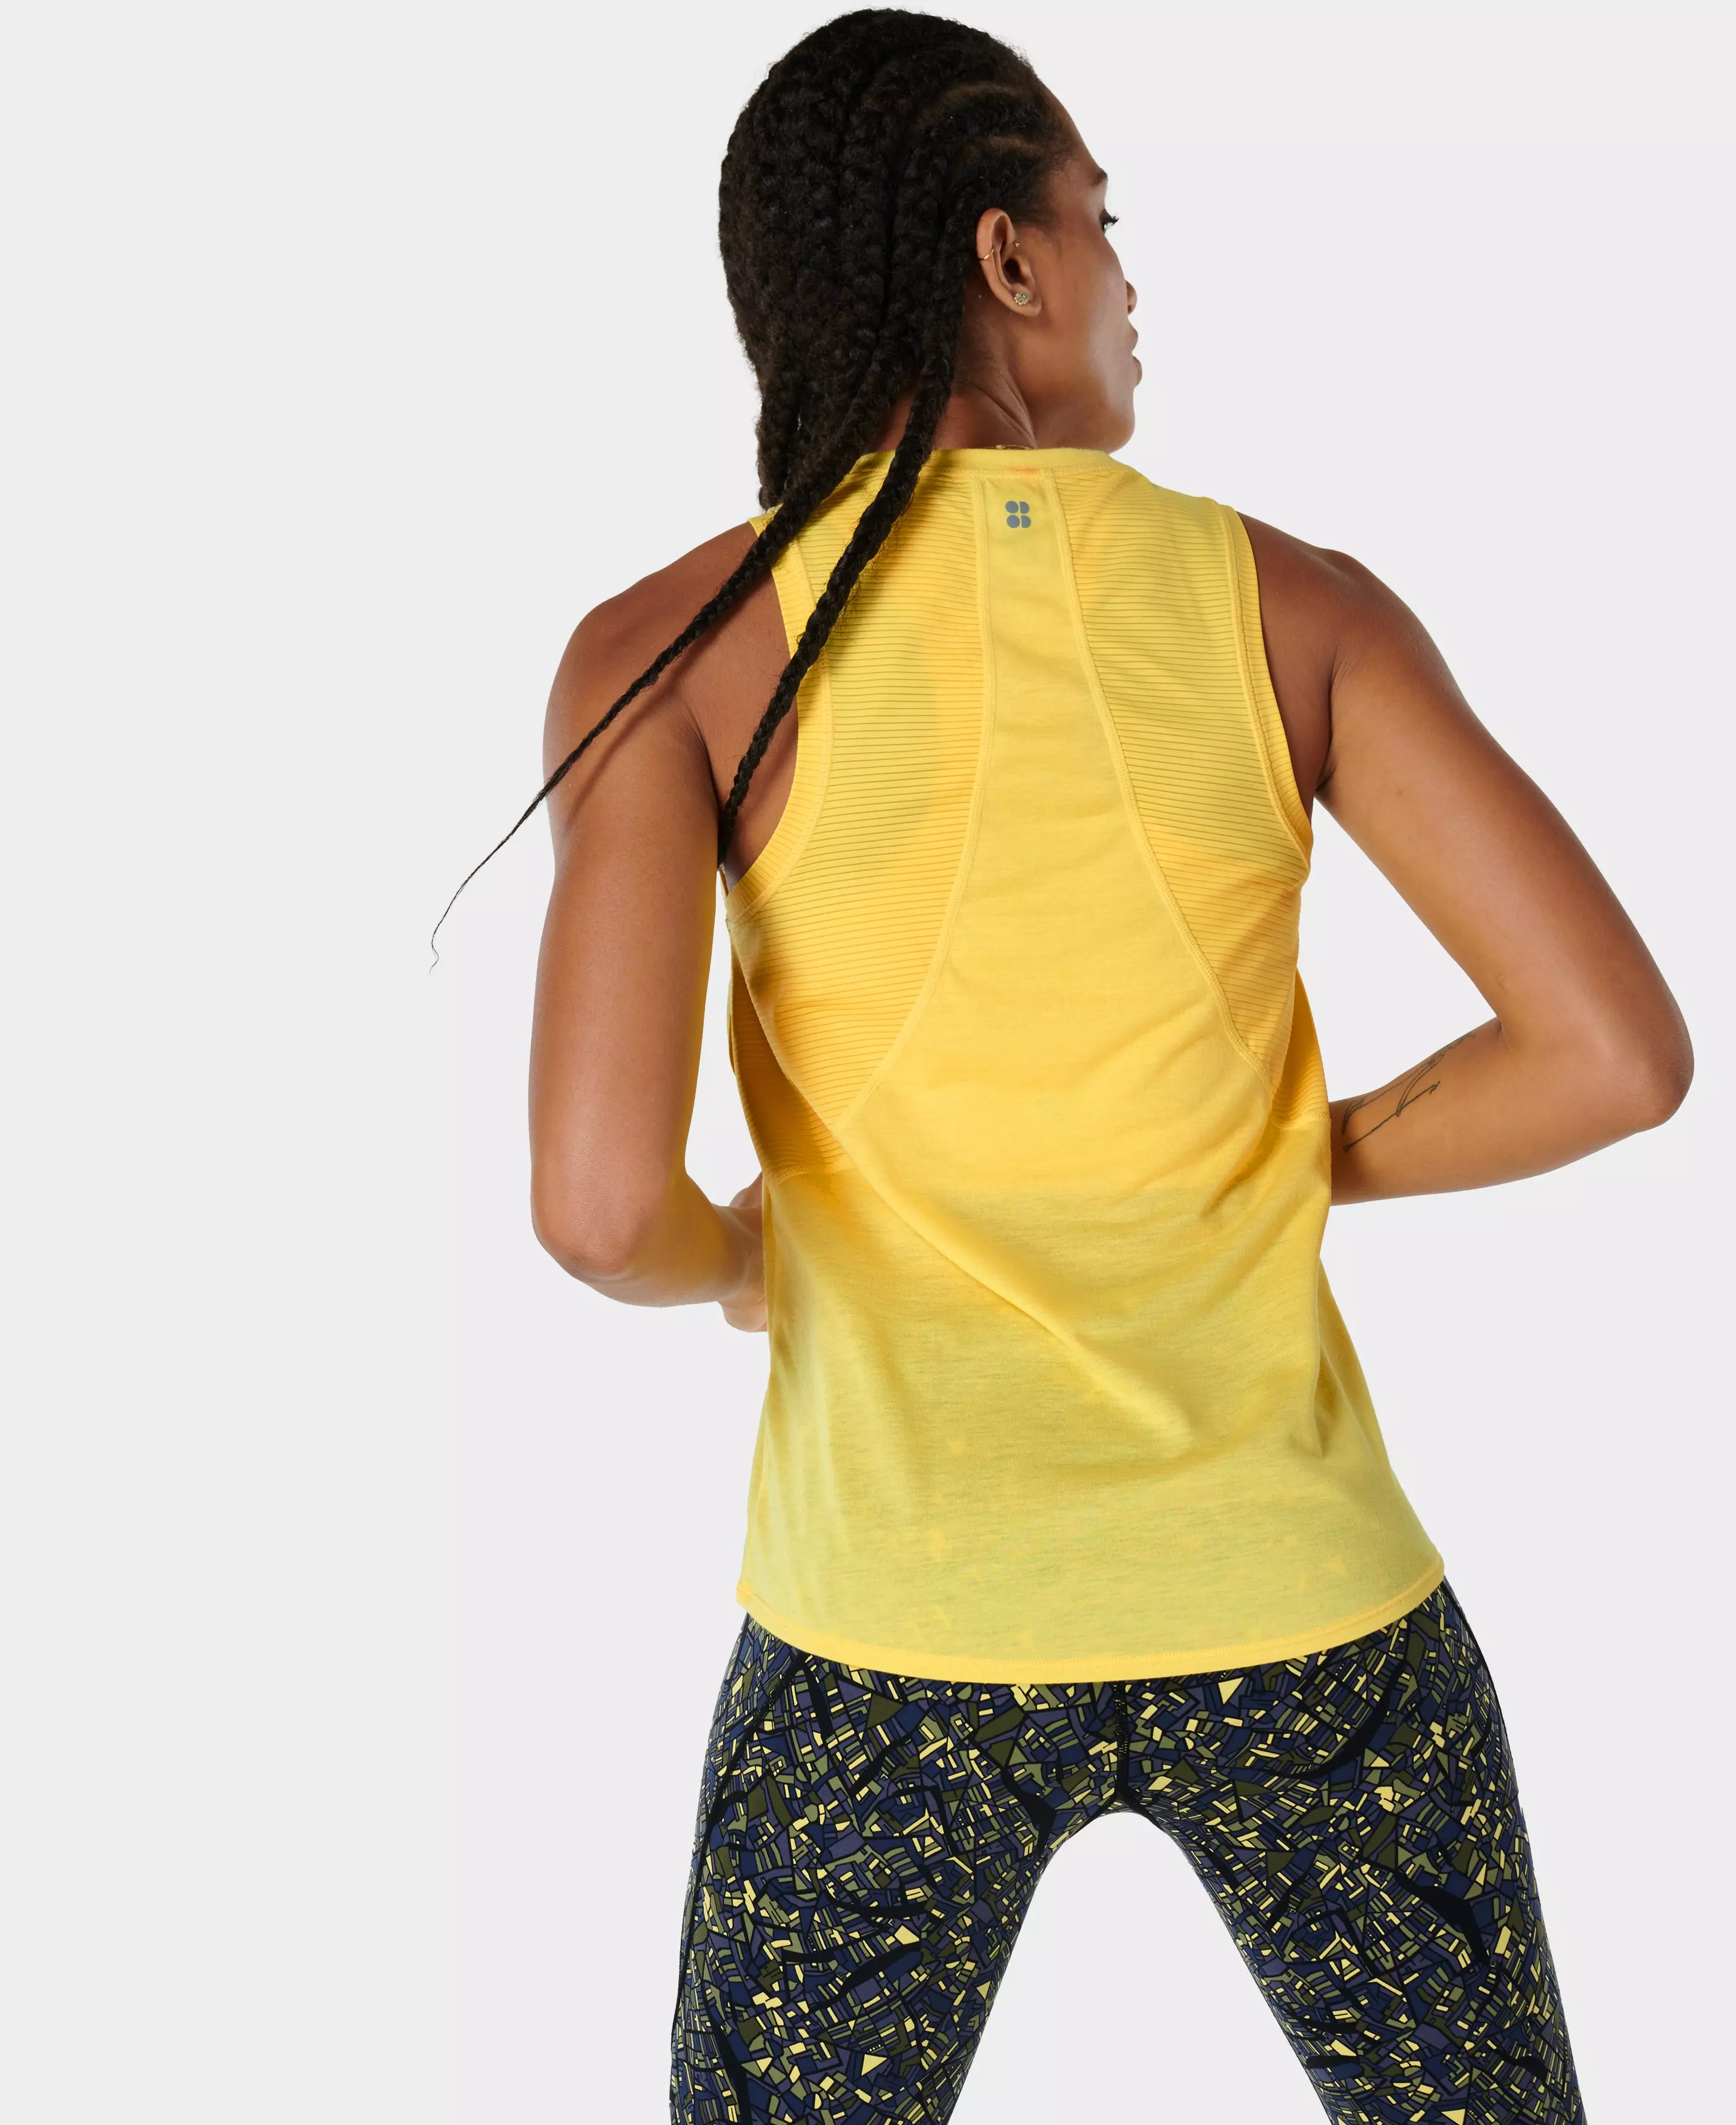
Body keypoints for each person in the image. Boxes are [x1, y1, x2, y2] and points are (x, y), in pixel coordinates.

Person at [518, 14, 1690, 2121]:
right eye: (1102, 216)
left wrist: (745, 1255)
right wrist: (1258, 1153)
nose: (1128, 276)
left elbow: (602, 1209)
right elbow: (1609, 1056)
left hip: (886, 1636)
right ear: (1010, 257)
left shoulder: (672, 651)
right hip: (1308, 1611)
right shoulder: (1296, 610)